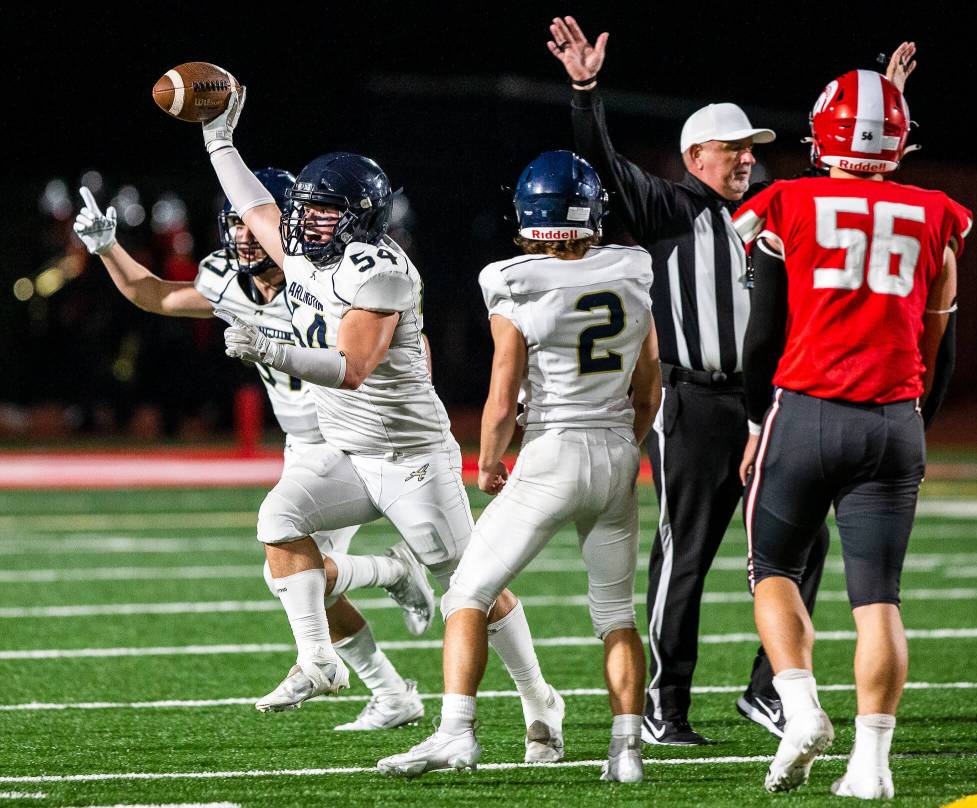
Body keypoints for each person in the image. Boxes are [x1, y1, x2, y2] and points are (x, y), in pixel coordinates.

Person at [194, 85, 563, 761]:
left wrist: (270, 348)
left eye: (324, 211)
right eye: (304, 210)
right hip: (348, 451)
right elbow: (252, 200)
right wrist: (219, 138)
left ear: (361, 217)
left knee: (472, 584)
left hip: (409, 455)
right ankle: (320, 661)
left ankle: (540, 696)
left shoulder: (381, 270)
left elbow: (355, 366)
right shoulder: (309, 247)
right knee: (279, 522)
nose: (304, 224)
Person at [547, 15, 831, 744]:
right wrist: (585, 91)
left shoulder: (771, 213)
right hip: (696, 401)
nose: (746, 158)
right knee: (687, 554)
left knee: (803, 543)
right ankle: (664, 706)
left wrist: (877, 129)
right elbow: (603, 166)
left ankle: (769, 689)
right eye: (732, 148)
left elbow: (841, 189)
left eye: (751, 148)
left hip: (766, 404)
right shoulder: (669, 207)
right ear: (695, 153)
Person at [72, 172, 436, 731]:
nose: (244, 236)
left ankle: (379, 601)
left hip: (349, 438)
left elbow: (400, 339)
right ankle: (391, 678)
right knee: (295, 576)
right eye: (235, 224)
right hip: (301, 444)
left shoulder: (324, 276)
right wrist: (106, 248)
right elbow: (156, 294)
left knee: (295, 575)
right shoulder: (227, 282)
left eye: (253, 223)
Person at [377, 151, 661, 781]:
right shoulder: (632, 269)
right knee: (615, 615)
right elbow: (649, 388)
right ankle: (627, 751)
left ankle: (456, 734)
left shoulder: (514, 279)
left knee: (466, 594)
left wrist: (489, 461)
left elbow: (503, 393)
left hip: (553, 451)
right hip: (617, 454)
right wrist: (626, 443)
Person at [735, 69, 969, 797]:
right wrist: (913, 428)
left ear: (821, 133)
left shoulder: (787, 202)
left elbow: (760, 337)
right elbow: (943, 347)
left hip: (806, 410)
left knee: (771, 569)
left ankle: (800, 708)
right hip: (895, 422)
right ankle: (872, 769)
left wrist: (753, 421)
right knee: (879, 600)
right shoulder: (937, 215)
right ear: (900, 140)